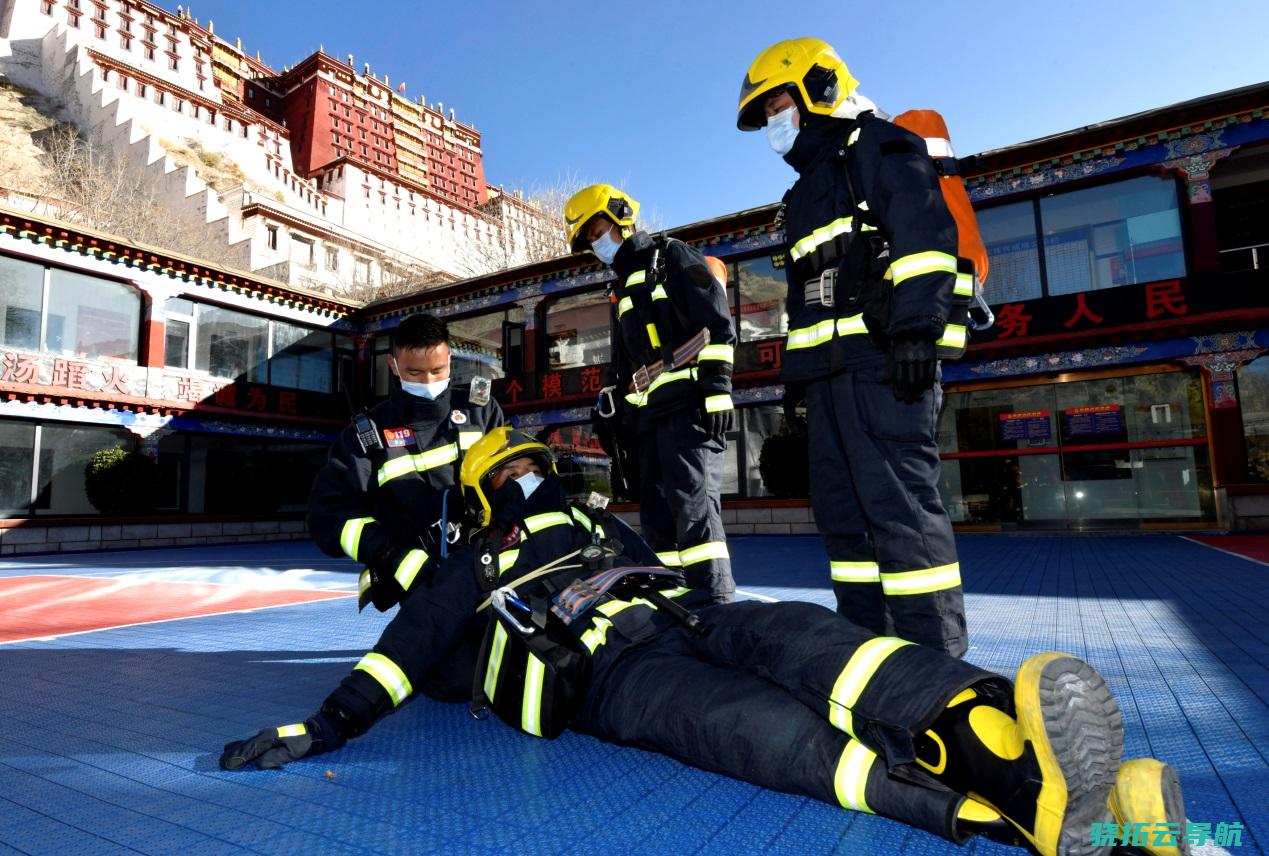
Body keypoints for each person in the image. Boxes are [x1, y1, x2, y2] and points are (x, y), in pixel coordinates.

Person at [222, 429, 1185, 856]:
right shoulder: (473, 563)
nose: (529, 481)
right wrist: (326, 725)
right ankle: (1024, 812)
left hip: (684, 615)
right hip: (606, 678)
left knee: (814, 639)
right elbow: (405, 648)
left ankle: (1007, 736)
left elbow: (677, 574)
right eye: (509, 475)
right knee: (764, 735)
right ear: (480, 501)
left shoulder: (599, 525)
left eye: (534, 468)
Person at [735, 38, 969, 656]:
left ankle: (933, 667)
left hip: (884, 362)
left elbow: (925, 233)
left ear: (819, 87)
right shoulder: (806, 192)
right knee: (842, 521)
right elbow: (810, 297)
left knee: (900, 514)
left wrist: (918, 328)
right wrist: (797, 378)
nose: (771, 123)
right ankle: (868, 657)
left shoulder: (878, 146)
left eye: (776, 104)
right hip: (828, 377)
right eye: (762, 116)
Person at [306, 312, 503, 700]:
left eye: (438, 370)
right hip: (423, 577)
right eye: (415, 373)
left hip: (490, 567)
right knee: (456, 684)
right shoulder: (367, 436)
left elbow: (514, 478)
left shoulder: (481, 411)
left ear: (450, 362)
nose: (428, 382)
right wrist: (388, 552)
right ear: (394, 366)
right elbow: (327, 516)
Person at [563, 183, 737, 604]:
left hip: (688, 410)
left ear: (620, 216)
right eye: (586, 238)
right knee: (657, 520)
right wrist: (614, 413)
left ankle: (715, 607)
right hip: (649, 421)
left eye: (595, 229)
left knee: (694, 512)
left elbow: (715, 326)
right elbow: (624, 363)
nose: (594, 242)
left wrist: (716, 391)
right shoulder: (620, 288)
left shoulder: (672, 257)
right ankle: (671, 606)